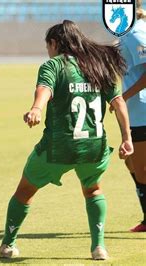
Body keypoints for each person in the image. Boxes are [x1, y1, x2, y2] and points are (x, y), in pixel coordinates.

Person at [0, 20, 134, 260]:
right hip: (94, 146)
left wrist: (36, 109)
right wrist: (126, 137)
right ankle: (98, 248)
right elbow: (119, 102)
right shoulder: (99, 64)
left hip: (58, 147)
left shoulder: (53, 65)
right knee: (93, 190)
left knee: (25, 191)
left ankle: (7, 245)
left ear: (54, 43)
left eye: (48, 45)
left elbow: (44, 90)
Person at [118, 0, 146, 232]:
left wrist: (123, 96)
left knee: (140, 167)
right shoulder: (131, 32)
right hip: (136, 110)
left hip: (141, 111)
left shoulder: (136, 34)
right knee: (131, 162)